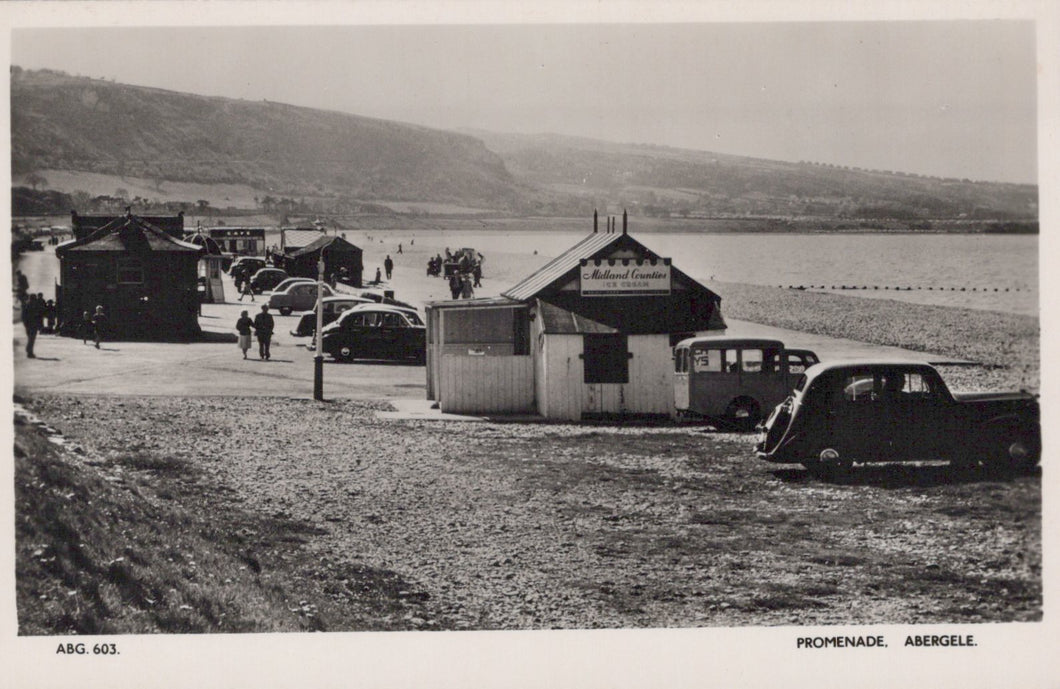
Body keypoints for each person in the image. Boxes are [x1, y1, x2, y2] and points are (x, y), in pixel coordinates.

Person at [21, 293, 44, 358]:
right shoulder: (36, 306)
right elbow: (40, 316)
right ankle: (29, 351)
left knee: (30, 338)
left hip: (28, 325)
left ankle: (29, 351)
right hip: (33, 324)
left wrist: (25, 324)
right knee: (32, 338)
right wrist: (40, 325)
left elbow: (23, 316)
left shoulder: (26, 305)